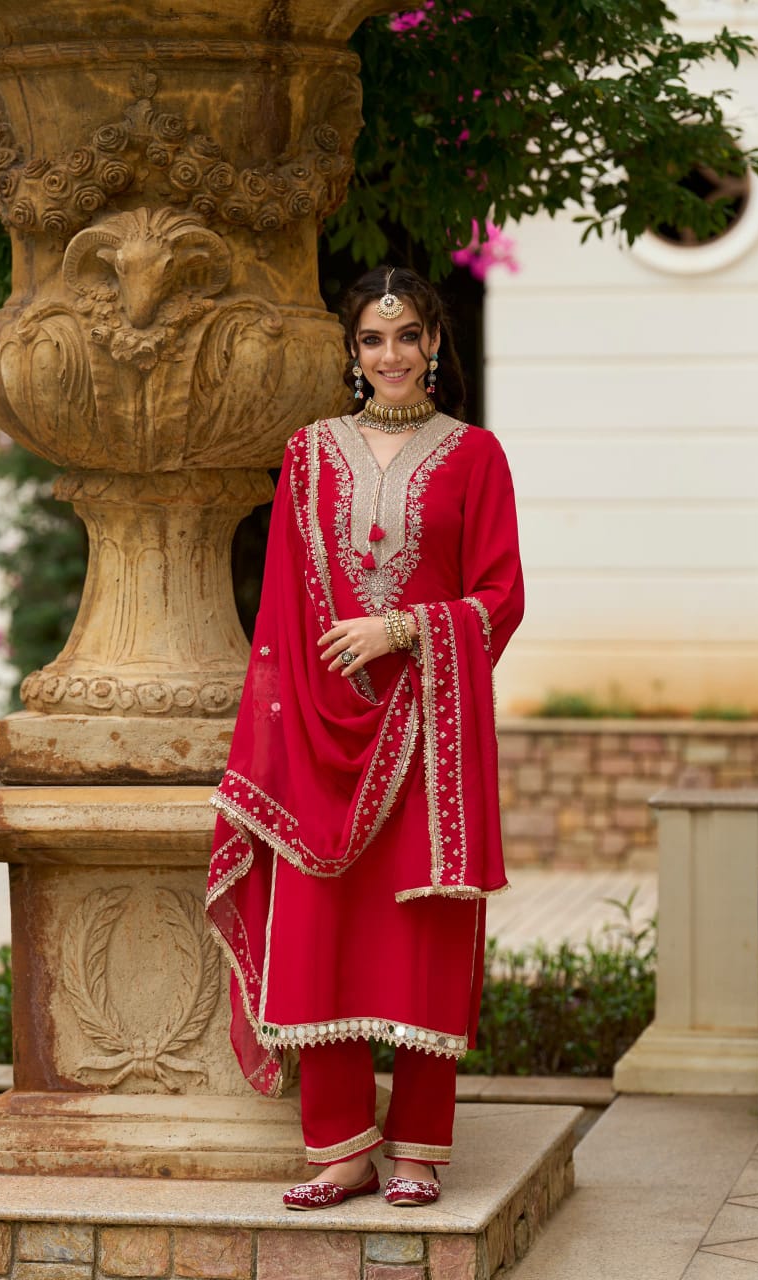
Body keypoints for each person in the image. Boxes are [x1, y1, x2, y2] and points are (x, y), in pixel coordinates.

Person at [205, 264, 524, 1209]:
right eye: (373, 340)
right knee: (323, 933)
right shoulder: (308, 454)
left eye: (409, 336)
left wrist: (403, 629)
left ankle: (420, 1149)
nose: (392, 355)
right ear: (353, 353)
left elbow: (500, 598)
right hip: (318, 725)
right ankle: (341, 1149)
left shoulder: (474, 456)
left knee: (418, 936)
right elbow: (283, 607)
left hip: (429, 736)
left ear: (434, 346)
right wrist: (281, 732)